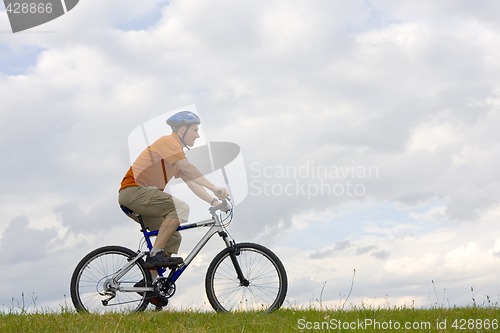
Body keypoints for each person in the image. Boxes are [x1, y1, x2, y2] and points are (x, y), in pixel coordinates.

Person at [118, 111, 228, 270]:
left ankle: (151, 287)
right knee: (180, 208)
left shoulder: (175, 153)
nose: (197, 135)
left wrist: (214, 200)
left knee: (173, 237)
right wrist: (214, 187)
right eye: (195, 130)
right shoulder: (168, 142)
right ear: (182, 129)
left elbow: (192, 182)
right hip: (134, 191)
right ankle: (155, 254)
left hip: (140, 198)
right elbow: (188, 168)